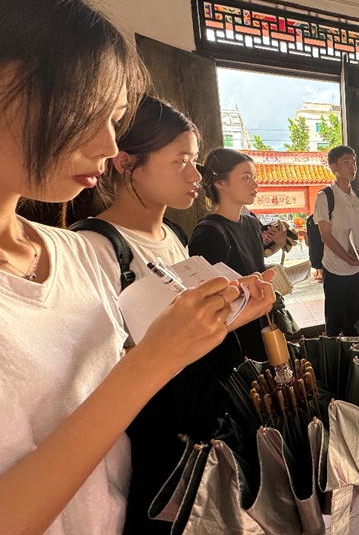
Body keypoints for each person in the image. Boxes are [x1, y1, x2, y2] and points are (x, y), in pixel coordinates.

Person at [0, 0, 273, 533]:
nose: (106, 145)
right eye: (84, 105)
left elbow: (108, 388)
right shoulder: (99, 245)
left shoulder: (69, 253)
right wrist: (154, 360)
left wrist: (211, 323)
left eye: (114, 117)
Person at [77, 98, 276, 533]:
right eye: (180, 161)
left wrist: (240, 308)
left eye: (195, 161)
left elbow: (189, 335)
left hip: (197, 411)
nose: (195, 175)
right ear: (126, 164)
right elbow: (95, 371)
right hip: (151, 435)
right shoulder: (93, 249)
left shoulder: (175, 235)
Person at [190, 147, 286, 361]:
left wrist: (277, 246)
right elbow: (207, 296)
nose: (255, 184)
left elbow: (254, 263)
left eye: (254, 177)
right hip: (233, 334)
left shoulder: (251, 223)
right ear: (221, 183)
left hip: (261, 318)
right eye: (246, 177)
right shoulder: (209, 232)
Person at [314, 145, 359, 337]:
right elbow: (326, 236)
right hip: (335, 267)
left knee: (353, 317)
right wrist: (348, 259)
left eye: (354, 162)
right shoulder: (325, 196)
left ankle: (352, 351)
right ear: (333, 168)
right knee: (335, 320)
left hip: (357, 268)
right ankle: (333, 353)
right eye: (346, 162)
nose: (352, 166)